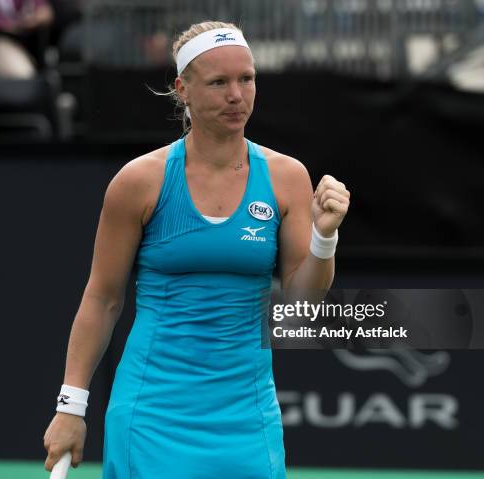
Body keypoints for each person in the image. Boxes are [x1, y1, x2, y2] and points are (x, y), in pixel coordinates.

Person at [43, 21, 351, 478]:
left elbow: (301, 308)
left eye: (246, 79)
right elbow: (102, 299)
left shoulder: (287, 176)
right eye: (218, 82)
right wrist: (71, 407)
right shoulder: (139, 181)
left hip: (247, 414)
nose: (236, 95)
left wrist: (324, 238)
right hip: (151, 411)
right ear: (182, 89)